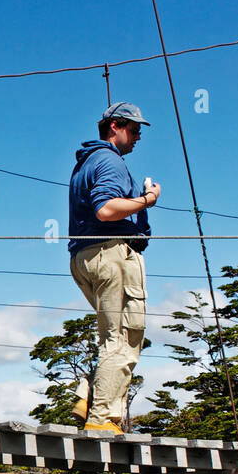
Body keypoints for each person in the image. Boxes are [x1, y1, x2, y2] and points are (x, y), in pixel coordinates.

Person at [66, 101, 160, 434]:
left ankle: (87, 394)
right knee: (124, 338)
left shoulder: (85, 164)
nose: (137, 137)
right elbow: (106, 209)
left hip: (84, 257)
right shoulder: (109, 161)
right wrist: (148, 199)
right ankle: (102, 419)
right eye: (134, 130)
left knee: (111, 336)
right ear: (115, 126)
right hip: (112, 254)